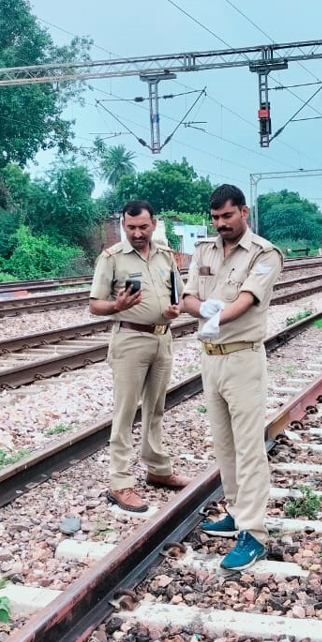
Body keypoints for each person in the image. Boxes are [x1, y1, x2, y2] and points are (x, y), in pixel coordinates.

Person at [181, 184, 284, 571]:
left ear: (244, 212)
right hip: (212, 358)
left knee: (248, 447)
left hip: (242, 358)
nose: (221, 224)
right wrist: (201, 308)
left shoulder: (265, 254)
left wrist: (212, 318)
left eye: (228, 216)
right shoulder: (205, 249)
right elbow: (188, 296)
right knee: (224, 444)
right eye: (216, 218)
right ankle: (237, 513)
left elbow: (244, 302)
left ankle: (253, 532)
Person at [89, 200, 191, 512]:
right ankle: (120, 483)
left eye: (142, 227)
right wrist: (116, 306)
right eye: (130, 227)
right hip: (130, 339)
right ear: (123, 225)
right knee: (124, 414)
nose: (136, 233)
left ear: (154, 224)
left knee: (156, 409)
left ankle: (158, 469)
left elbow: (179, 295)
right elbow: (95, 305)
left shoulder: (164, 256)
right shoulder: (112, 258)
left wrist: (176, 308)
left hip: (163, 340)